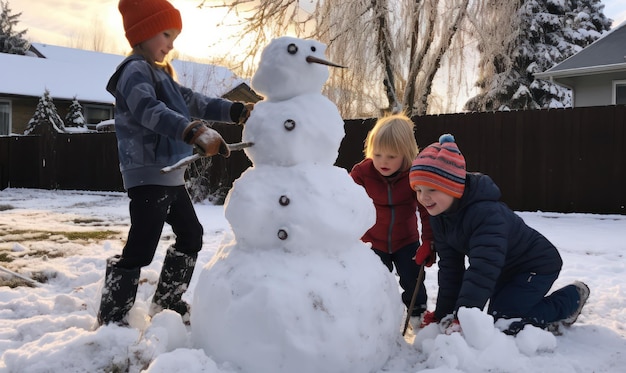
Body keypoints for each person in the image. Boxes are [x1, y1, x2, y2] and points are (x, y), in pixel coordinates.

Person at [97, 0, 253, 326]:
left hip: (169, 174)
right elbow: (147, 110)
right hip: (148, 172)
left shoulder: (161, 74)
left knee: (191, 235)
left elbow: (194, 100)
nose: (171, 44)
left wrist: (235, 112)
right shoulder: (134, 71)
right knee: (141, 247)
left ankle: (167, 304)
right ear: (143, 32)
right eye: (166, 34)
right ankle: (113, 318)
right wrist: (192, 129)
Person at [409, 133, 590, 335]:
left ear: (453, 187)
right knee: (496, 317)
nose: (423, 198)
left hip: (535, 266)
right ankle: (525, 303)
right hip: (503, 270)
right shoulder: (440, 217)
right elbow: (451, 270)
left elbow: (482, 270)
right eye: (418, 189)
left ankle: (572, 298)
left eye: (432, 189)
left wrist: (463, 318)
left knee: (504, 323)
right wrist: (442, 314)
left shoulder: (486, 214)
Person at [350, 113, 434, 329]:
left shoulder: (414, 176)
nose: (383, 162)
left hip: (406, 241)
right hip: (372, 241)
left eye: (391, 156)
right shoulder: (362, 173)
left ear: (405, 154)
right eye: (377, 155)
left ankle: (417, 315)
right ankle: (376, 320)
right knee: (375, 283)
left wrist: (429, 242)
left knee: (413, 279)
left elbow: (426, 211)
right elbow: (346, 203)